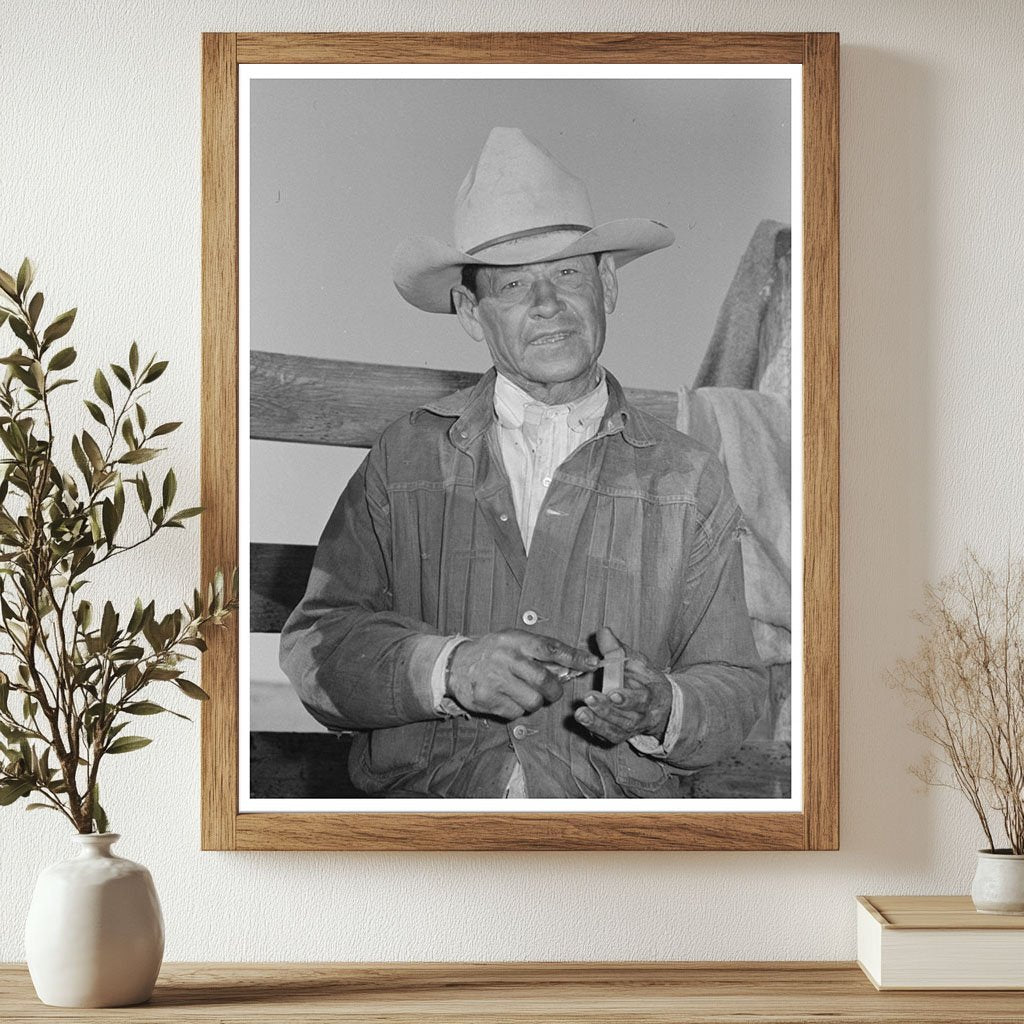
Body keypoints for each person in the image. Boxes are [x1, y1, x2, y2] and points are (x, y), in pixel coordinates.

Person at [280, 127, 767, 799]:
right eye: (512, 287)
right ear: (472, 314)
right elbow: (319, 643)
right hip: (433, 829)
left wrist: (661, 708)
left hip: (611, 841)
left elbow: (737, 686)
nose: (547, 305)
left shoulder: (689, 476)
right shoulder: (406, 456)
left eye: (567, 274)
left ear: (605, 285)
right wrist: (448, 670)